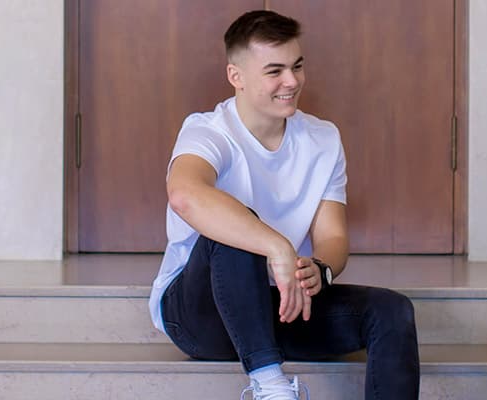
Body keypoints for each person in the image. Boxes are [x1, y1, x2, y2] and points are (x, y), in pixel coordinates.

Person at [149, 10, 420, 400]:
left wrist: (321, 269)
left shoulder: (323, 138)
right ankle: (272, 386)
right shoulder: (208, 130)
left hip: (282, 306)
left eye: (297, 66)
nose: (291, 81)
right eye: (274, 71)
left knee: (391, 310)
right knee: (237, 229)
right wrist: (275, 245)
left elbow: (332, 233)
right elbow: (185, 195)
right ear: (235, 77)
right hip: (200, 317)